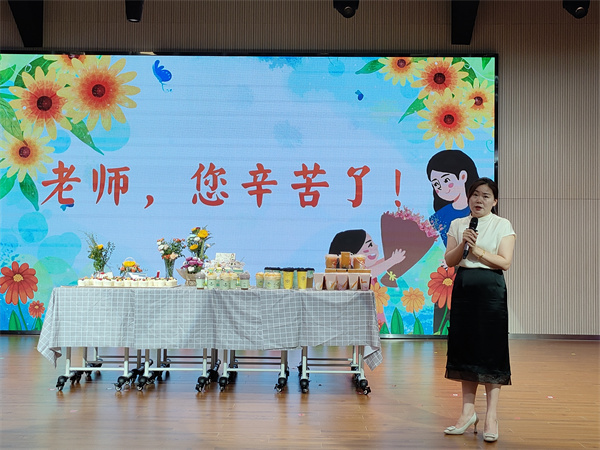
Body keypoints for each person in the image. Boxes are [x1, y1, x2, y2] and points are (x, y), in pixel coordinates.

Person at [442, 177, 516, 443]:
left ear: (494, 201)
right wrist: (463, 244)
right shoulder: (458, 224)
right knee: (466, 349)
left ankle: (491, 417)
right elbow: (450, 260)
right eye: (475, 195)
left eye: (485, 196)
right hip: (464, 290)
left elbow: (504, 262)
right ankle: (467, 413)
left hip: (491, 292)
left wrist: (478, 250)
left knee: (491, 351)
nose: (479, 200)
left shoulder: (502, 224)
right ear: (468, 198)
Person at [427, 149, 479, 246]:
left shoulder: (478, 210)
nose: (442, 188)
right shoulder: (441, 215)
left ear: (463, 176)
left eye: (446, 180)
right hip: (450, 255)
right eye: (436, 184)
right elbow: (424, 234)